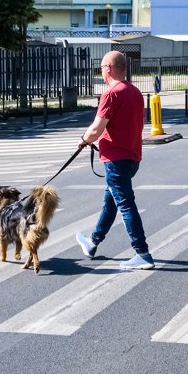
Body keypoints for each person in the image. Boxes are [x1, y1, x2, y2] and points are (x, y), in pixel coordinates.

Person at [76, 50, 153, 269]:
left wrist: (84, 140)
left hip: (116, 158)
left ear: (109, 68)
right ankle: (93, 242)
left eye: (101, 68)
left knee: (125, 204)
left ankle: (142, 253)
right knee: (111, 202)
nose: (101, 71)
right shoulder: (135, 92)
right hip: (132, 157)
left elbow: (96, 128)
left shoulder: (112, 93)